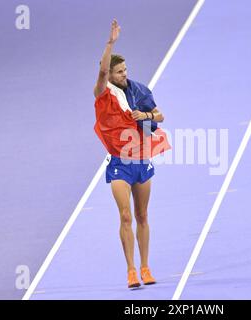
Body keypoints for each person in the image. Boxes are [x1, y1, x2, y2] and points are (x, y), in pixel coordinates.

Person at [93, 19, 170, 288]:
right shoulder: (104, 94)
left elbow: (160, 115)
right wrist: (110, 42)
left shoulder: (137, 89)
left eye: (125, 70)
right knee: (125, 216)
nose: (124, 75)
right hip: (119, 165)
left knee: (142, 216)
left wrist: (146, 115)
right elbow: (102, 72)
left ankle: (146, 267)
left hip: (141, 160)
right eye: (119, 72)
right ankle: (130, 271)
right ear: (110, 76)